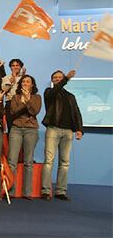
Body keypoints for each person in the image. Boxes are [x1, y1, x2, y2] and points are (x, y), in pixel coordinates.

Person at [41, 70, 83, 201]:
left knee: (64, 162)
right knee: (49, 161)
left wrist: (79, 129)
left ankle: (60, 191)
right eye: (56, 78)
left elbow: (77, 113)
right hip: (53, 129)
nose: (58, 79)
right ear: (52, 80)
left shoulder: (70, 96)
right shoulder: (49, 93)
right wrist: (66, 78)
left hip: (68, 131)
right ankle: (46, 191)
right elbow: (55, 90)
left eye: (60, 77)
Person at [7, 75, 41, 200]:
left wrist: (27, 100)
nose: (26, 83)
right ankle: (11, 190)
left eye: (28, 81)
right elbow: (14, 112)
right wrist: (24, 102)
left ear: (32, 85)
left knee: (28, 161)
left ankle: (27, 192)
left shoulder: (37, 97)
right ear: (20, 84)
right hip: (16, 128)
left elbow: (34, 111)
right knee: (12, 160)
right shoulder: (15, 97)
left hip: (31, 130)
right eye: (24, 81)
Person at [2, 59, 24, 132]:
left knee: (22, 127)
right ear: (10, 67)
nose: (15, 67)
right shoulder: (5, 78)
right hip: (10, 103)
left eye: (17, 65)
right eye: (13, 66)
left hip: (22, 103)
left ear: (21, 67)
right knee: (11, 127)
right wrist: (11, 81)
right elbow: (4, 90)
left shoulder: (24, 78)